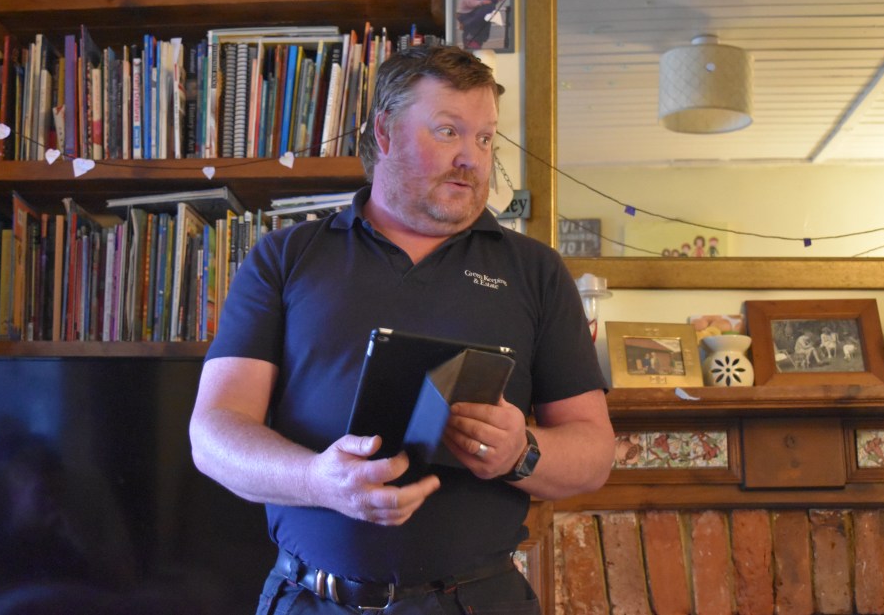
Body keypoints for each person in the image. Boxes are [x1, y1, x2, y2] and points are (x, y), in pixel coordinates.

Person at [189, 44, 615, 615]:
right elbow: (213, 434)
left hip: (477, 601)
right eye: (448, 131)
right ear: (385, 133)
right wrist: (318, 480)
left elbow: (594, 452)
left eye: (484, 139)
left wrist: (522, 451)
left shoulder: (536, 271)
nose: (471, 158)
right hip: (310, 599)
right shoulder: (286, 256)